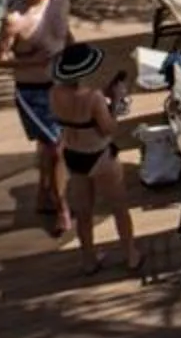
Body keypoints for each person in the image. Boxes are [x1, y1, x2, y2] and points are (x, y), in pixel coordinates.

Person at [0, 0, 72, 237]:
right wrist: (33, 63)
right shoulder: (15, 19)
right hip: (33, 93)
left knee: (53, 148)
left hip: (61, 85)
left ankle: (43, 191)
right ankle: (61, 207)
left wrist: (77, 64)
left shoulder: (60, 2)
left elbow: (66, 37)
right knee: (56, 148)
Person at [49, 43, 142, 273]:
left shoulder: (54, 94)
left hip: (74, 155)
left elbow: (76, 113)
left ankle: (89, 260)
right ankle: (131, 255)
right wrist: (117, 102)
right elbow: (109, 128)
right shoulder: (93, 97)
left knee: (83, 213)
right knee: (119, 207)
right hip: (100, 156)